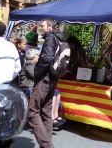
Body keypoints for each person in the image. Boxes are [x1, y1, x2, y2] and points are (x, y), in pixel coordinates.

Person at [29, 19, 66, 148]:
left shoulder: (50, 37)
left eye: (42, 25)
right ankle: (47, 143)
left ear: (50, 26)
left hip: (44, 79)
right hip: (52, 79)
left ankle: (46, 146)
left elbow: (47, 58)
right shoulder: (60, 38)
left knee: (33, 111)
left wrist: (36, 73)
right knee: (46, 112)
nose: (40, 27)